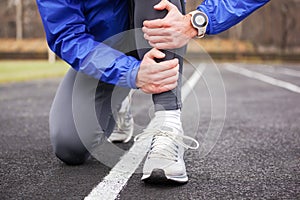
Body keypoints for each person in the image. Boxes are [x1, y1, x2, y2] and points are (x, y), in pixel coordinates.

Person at [36, 0, 270, 183]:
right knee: (69, 145)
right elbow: (67, 35)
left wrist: (199, 20)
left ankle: (167, 125)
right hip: (104, 53)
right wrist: (130, 73)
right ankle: (119, 100)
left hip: (159, 29)